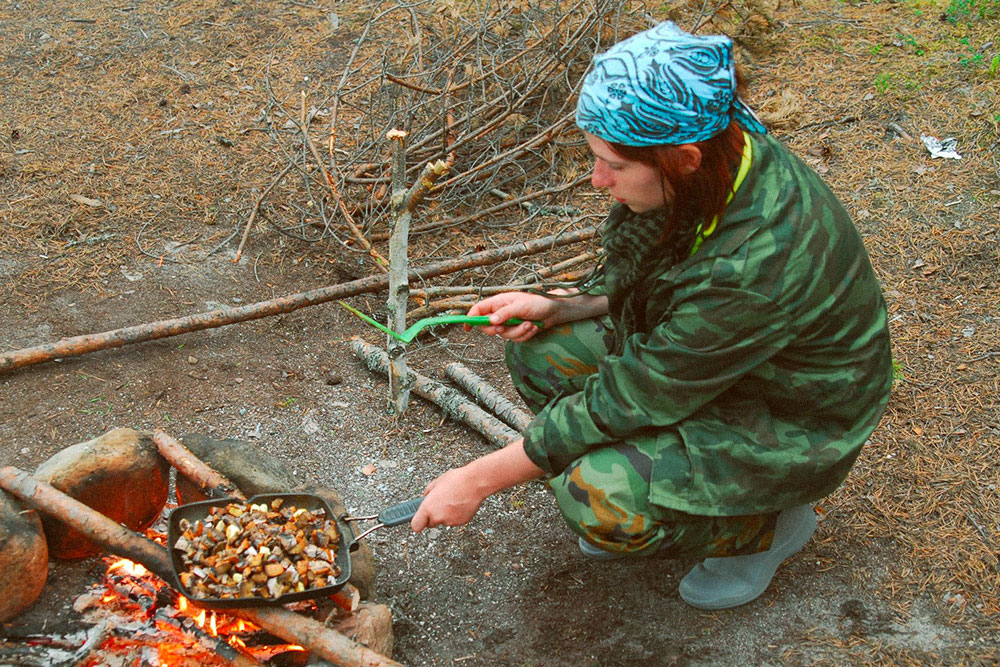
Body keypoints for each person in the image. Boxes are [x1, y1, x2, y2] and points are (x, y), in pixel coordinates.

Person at [409, 21, 892, 610]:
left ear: (682, 158)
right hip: (722, 368)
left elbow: (637, 388)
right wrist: (563, 307)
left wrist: (478, 479)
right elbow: (667, 282)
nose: (597, 179)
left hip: (793, 417)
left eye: (612, 164)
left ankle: (769, 527)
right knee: (539, 350)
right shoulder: (716, 158)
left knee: (596, 497)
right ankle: (667, 481)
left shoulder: (754, 263)